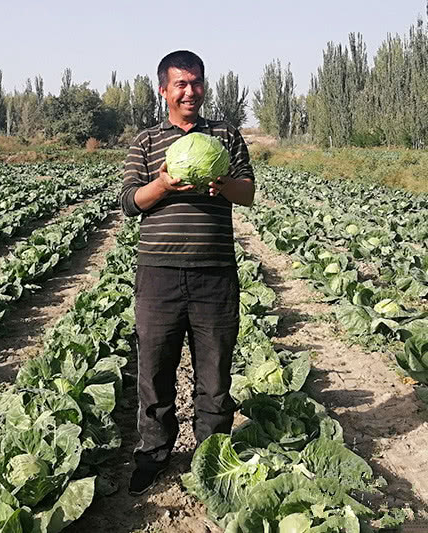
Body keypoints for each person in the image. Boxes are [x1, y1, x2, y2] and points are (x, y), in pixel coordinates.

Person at [119, 50, 256, 496]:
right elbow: (128, 203)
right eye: (180, 83)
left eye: (196, 82)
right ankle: (154, 453)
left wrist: (222, 186)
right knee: (154, 370)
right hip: (157, 273)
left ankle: (212, 455)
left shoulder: (225, 135)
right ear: (164, 90)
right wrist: (161, 184)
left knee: (215, 372)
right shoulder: (145, 141)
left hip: (214, 272)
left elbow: (248, 192)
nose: (189, 91)